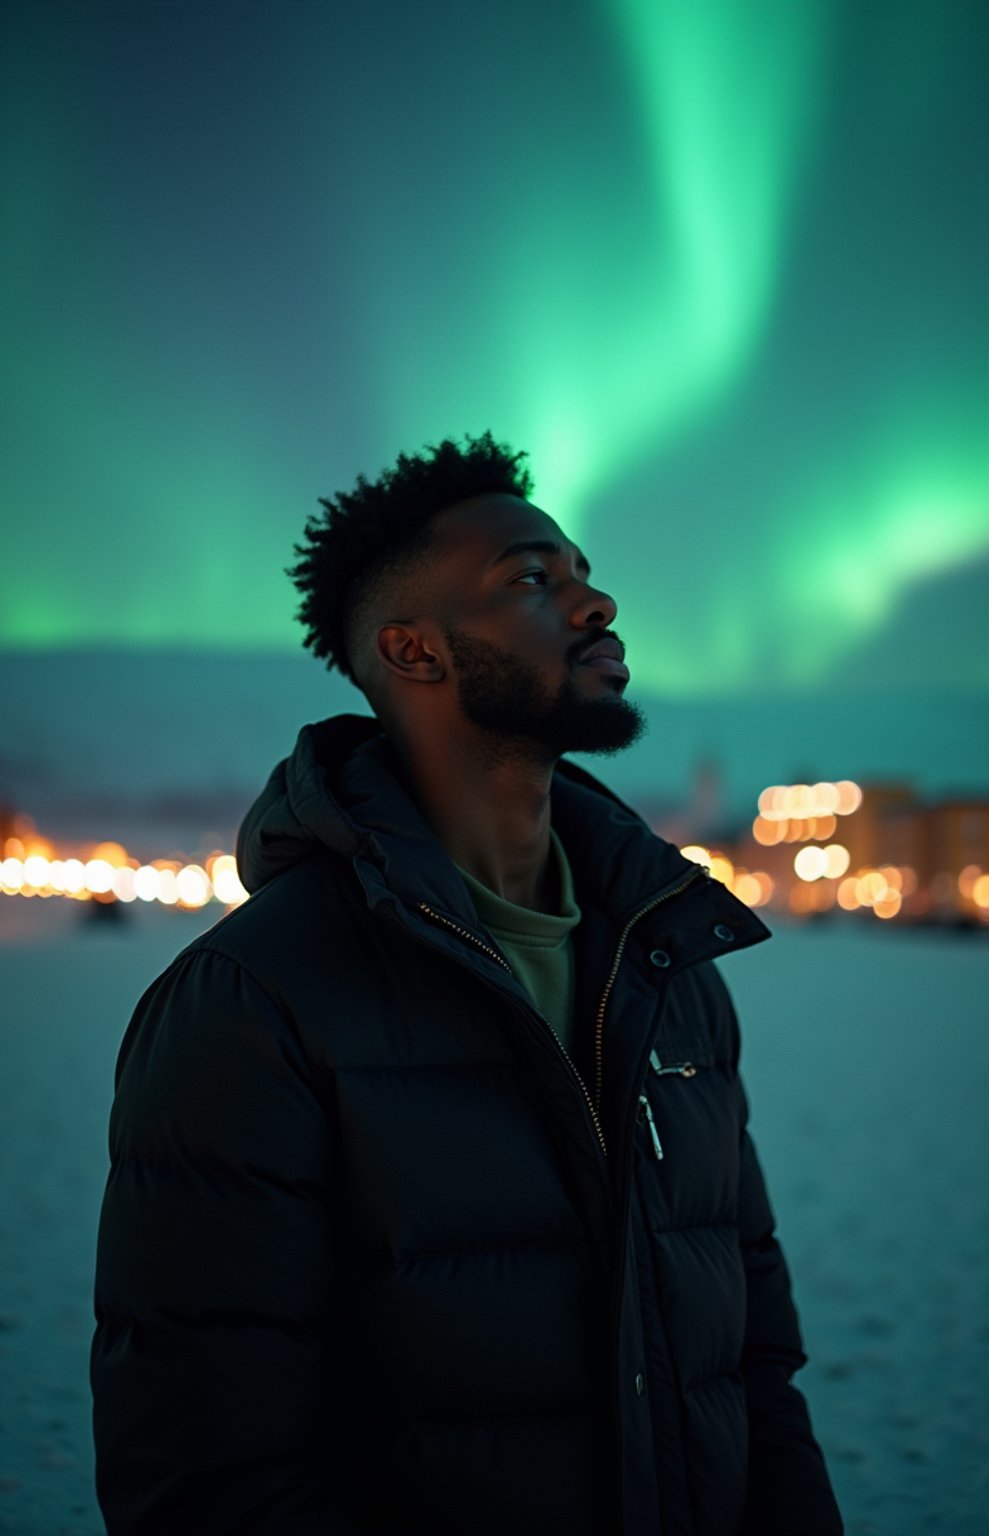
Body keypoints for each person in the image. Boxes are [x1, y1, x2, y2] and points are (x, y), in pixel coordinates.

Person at [91, 432, 843, 1536]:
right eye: (534, 581)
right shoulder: (254, 1000)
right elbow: (206, 1481)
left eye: (584, 574)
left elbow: (754, 1370)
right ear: (414, 650)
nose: (595, 604)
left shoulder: (669, 963)